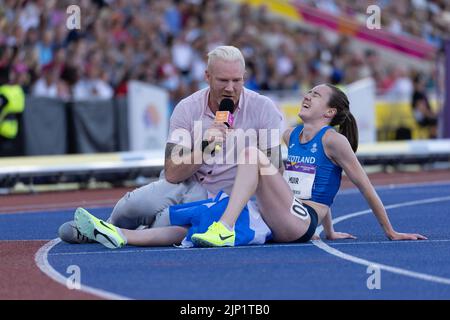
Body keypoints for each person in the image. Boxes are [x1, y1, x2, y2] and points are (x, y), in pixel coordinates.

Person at [59, 45, 283, 246]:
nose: (230, 88)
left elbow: (274, 171)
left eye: (237, 80)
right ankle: (104, 227)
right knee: (132, 206)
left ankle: (116, 233)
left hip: (227, 200)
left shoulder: (264, 109)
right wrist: (205, 146)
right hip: (187, 183)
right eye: (223, 81)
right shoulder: (187, 108)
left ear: (244, 77)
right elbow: (172, 173)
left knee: (163, 223)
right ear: (207, 76)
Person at [190, 84, 427, 247]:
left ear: (329, 112)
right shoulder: (291, 135)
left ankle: (225, 228)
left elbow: (365, 187)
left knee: (253, 154)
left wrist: (390, 231)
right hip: (285, 214)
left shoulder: (334, 141)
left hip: (299, 222)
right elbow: (314, 182)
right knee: (188, 226)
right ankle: (174, 230)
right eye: (309, 91)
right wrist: (330, 231)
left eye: (316, 95)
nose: (307, 95)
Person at [411, 74, 438, 139]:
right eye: (420, 83)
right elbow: (422, 110)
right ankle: (433, 138)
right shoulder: (416, 95)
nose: (422, 84)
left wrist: (433, 113)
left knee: (436, 119)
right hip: (421, 118)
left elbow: (427, 108)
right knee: (434, 120)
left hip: (426, 116)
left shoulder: (422, 93)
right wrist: (431, 115)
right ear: (416, 84)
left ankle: (433, 136)